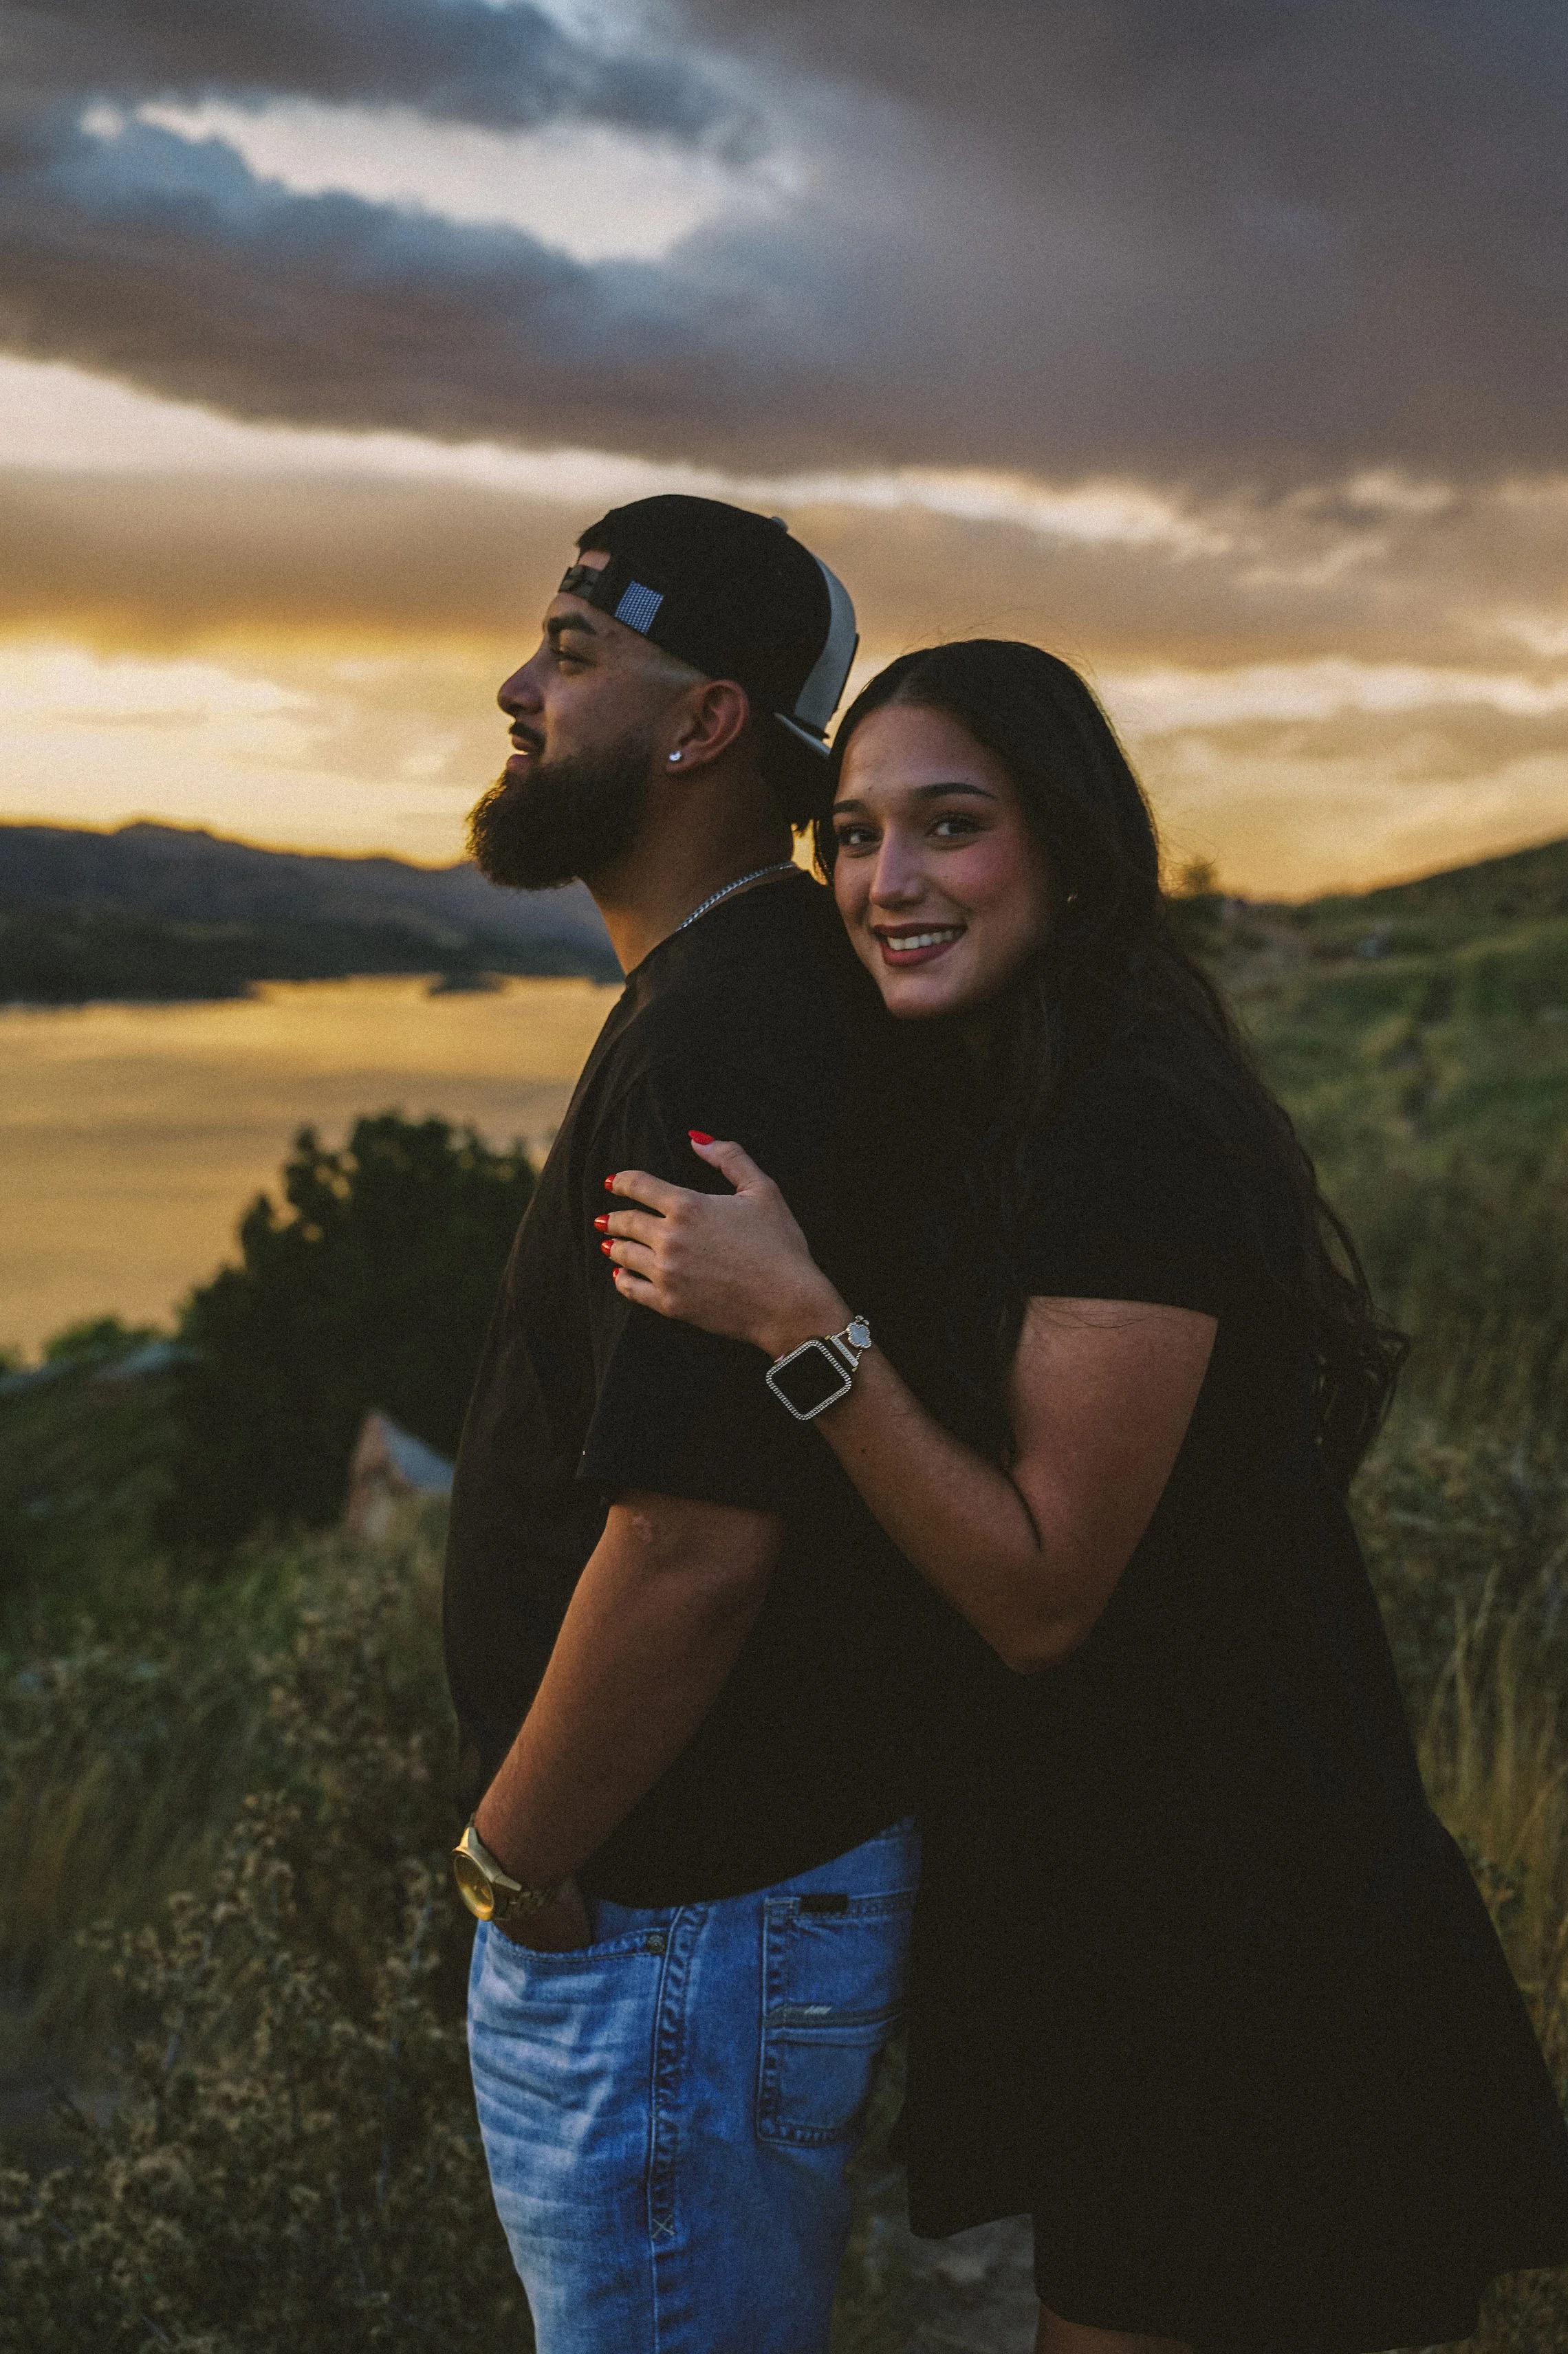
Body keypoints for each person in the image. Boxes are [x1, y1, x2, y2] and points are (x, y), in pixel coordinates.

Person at [596, 640, 1568, 2354]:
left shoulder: (1131, 1127)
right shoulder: (1011, 1093)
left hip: (1240, 1930)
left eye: (951, 826)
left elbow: (1041, 1589)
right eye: (856, 835)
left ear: (1067, 849)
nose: (888, 882)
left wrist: (799, 1323)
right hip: (1131, 1909)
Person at [443, 498, 952, 2354]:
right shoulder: (747, 990)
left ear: (706, 724)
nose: (519, 689)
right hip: (700, 1917)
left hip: (678, 1925)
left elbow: (696, 1545)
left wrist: (514, 1859)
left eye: (573, 653)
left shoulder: (723, 1033)